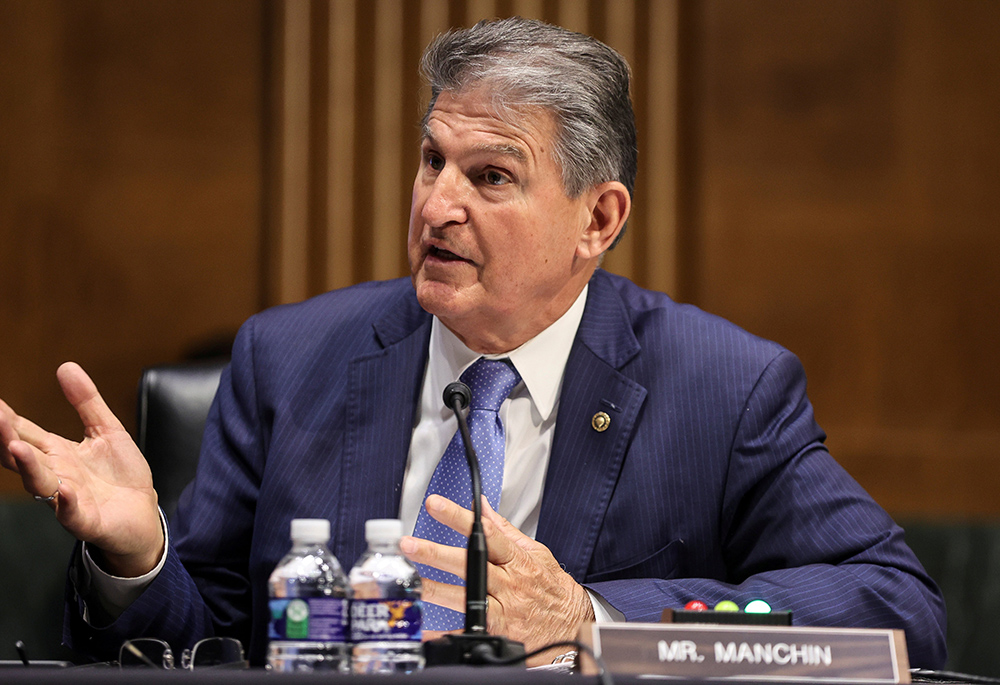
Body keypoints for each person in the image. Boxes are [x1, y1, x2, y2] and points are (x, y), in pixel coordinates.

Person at [0, 17, 946, 669]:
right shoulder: (287, 360)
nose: (436, 204)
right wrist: (138, 557)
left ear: (597, 217)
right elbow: (204, 639)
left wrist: (597, 622)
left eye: (490, 176)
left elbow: (899, 610)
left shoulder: (723, 387)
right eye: (431, 160)